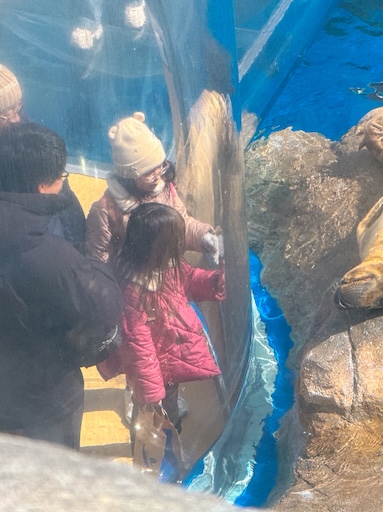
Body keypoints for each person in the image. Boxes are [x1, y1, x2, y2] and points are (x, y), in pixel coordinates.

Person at [0, 123, 123, 450]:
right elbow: (104, 307)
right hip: (42, 401)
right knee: (52, 474)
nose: (64, 183)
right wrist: (97, 266)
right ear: (42, 186)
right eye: (62, 177)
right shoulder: (49, 257)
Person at [97, 203, 223, 435]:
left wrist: (215, 281)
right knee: (152, 417)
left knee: (168, 405)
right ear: (156, 248)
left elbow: (190, 280)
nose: (180, 245)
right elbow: (138, 346)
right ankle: (158, 444)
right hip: (152, 367)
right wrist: (152, 393)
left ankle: (168, 429)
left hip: (167, 357)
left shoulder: (167, 266)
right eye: (176, 240)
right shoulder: (133, 289)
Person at [85, 111, 221, 266]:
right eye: (148, 173)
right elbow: (98, 261)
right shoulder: (105, 211)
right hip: (132, 278)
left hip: (169, 272)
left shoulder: (165, 188)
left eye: (160, 166)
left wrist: (203, 236)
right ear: (129, 176)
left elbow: (181, 225)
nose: (157, 176)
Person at [0, 63, 87, 252]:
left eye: (17, 107)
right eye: (5, 115)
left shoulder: (26, 130)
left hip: (51, 228)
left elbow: (64, 197)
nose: (16, 118)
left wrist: (78, 246)